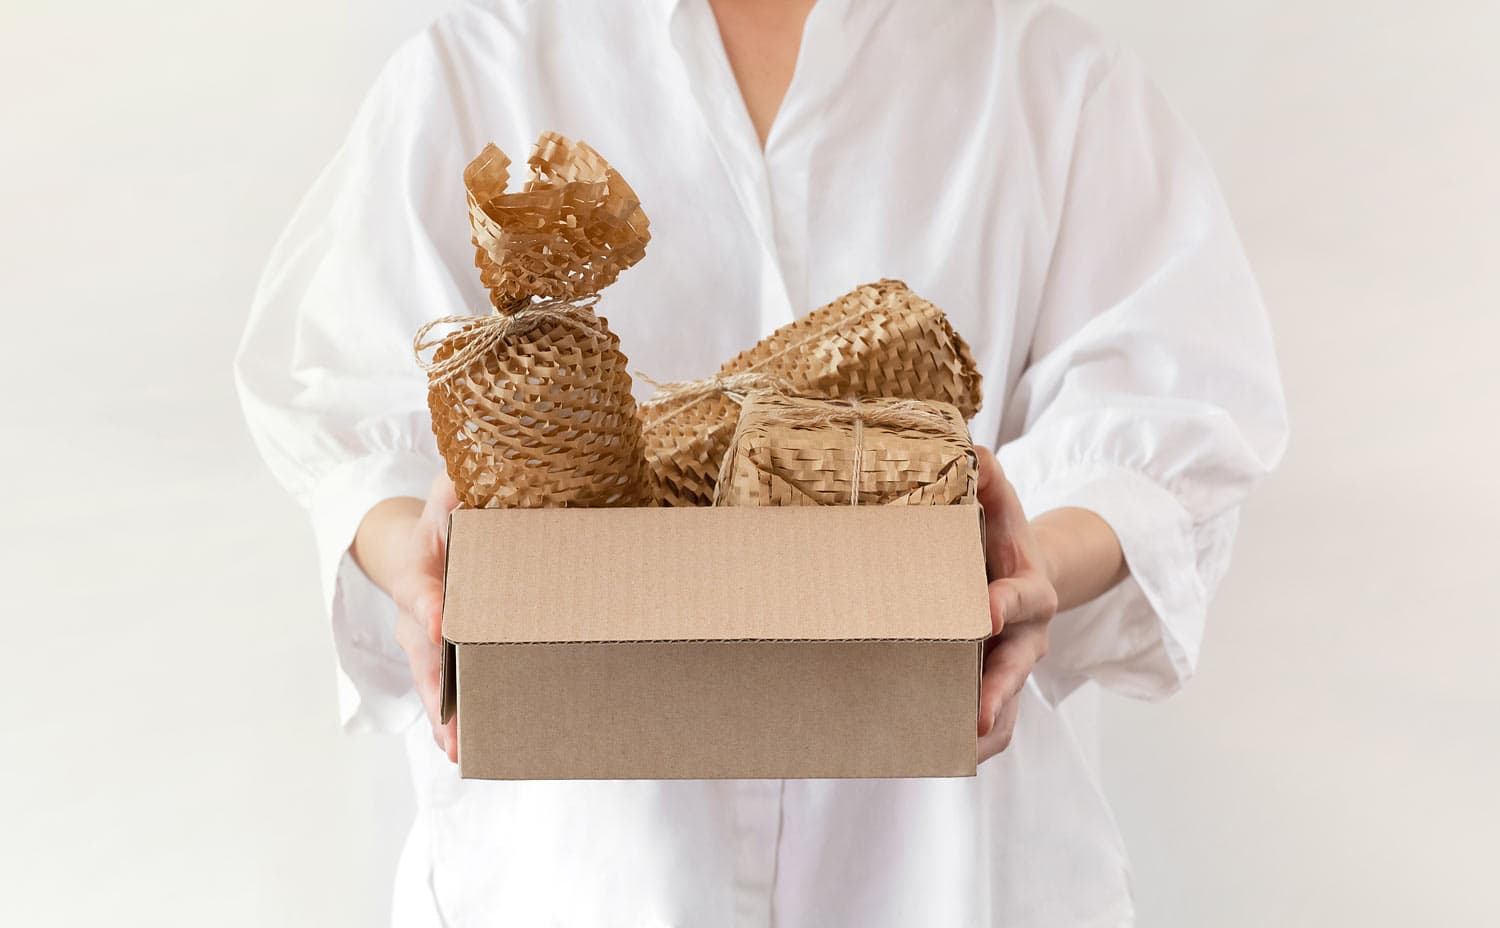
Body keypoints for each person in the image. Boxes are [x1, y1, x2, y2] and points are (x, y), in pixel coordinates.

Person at [236, 0, 1288, 923]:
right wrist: (410, 556)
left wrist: (1032, 565)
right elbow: (355, 406)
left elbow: (1168, 407)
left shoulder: (1051, 83)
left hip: (942, 853)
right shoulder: (475, 69)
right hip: (580, 865)